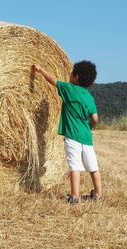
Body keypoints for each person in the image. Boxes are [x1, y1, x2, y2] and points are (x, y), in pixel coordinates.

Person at [33, 61, 102, 204]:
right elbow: (95, 118)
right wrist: (89, 127)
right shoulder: (89, 97)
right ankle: (98, 194)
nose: (69, 74)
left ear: (76, 77)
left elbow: (53, 80)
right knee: (93, 166)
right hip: (87, 137)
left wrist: (41, 69)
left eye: (71, 72)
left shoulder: (69, 89)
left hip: (72, 136)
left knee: (74, 166)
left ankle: (75, 197)